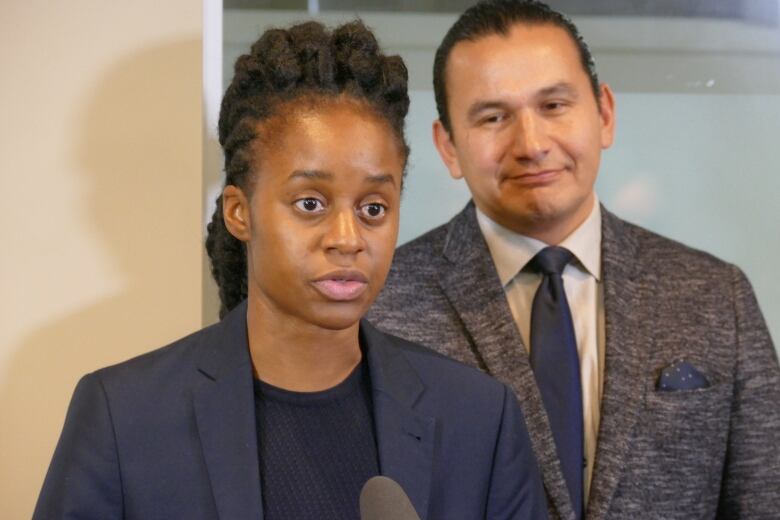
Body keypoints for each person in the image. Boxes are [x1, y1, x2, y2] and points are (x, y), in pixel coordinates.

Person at [33, 20, 548, 520]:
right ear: (240, 212)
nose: (347, 238)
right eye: (309, 203)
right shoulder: (124, 416)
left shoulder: (480, 419)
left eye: (373, 208)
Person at [368, 1, 780, 519]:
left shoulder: (716, 296)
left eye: (554, 106)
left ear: (604, 113)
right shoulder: (380, 301)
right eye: (493, 117)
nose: (532, 144)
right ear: (448, 145)